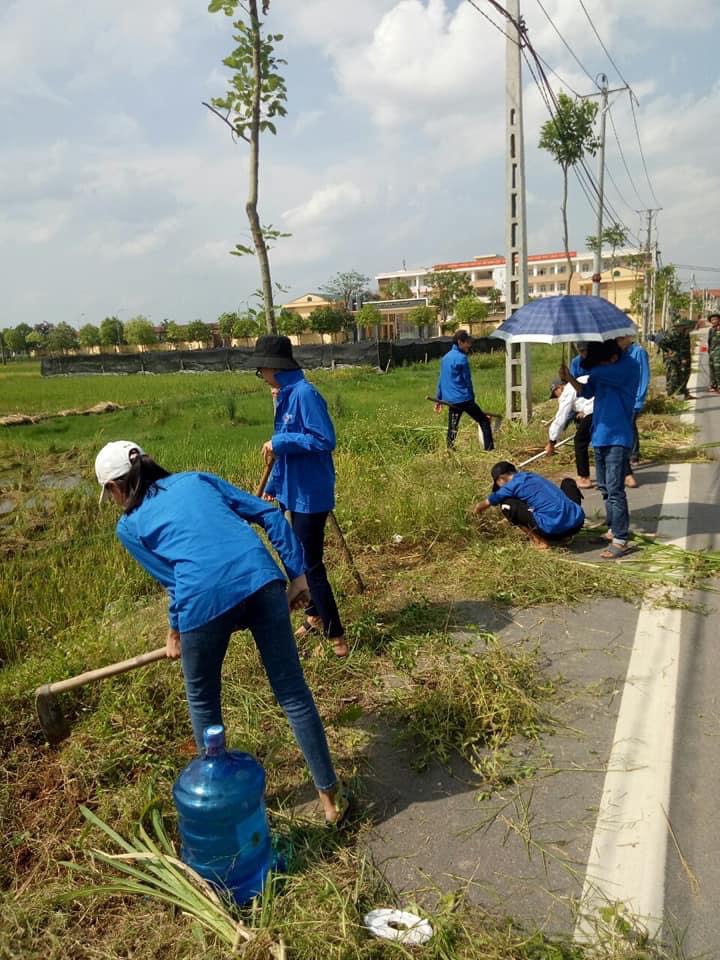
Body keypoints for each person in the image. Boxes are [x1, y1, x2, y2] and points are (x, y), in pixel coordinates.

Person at [94, 440, 348, 826]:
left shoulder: (128, 526)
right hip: (261, 580)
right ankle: (331, 802)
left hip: (201, 601)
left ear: (115, 488)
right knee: (292, 693)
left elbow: (175, 583)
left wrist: (175, 631)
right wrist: (297, 575)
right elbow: (270, 514)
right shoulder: (196, 479)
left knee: (203, 702)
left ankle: (225, 811)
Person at [254, 335, 348, 659]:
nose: (260, 376)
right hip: (292, 490)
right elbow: (286, 453)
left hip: (312, 492)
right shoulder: (283, 395)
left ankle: (335, 632)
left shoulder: (305, 394)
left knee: (310, 565)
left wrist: (279, 442)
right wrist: (274, 485)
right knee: (296, 557)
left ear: (272, 367)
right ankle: (313, 614)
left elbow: (324, 439)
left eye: (260, 369)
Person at [560, 339, 640, 560]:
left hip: (618, 436)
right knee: (605, 487)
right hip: (600, 434)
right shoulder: (604, 369)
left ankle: (621, 539)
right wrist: (570, 379)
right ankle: (613, 529)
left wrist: (584, 361)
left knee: (615, 490)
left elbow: (590, 370)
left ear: (613, 356)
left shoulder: (628, 367)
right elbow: (586, 391)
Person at [472, 460, 584, 550]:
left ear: (502, 478)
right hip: (576, 524)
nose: (500, 488)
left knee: (506, 504)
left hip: (553, 530)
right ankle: (566, 536)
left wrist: (475, 512)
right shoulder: (531, 476)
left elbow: (485, 504)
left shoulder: (510, 485)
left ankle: (539, 542)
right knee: (567, 482)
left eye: (499, 485)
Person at [434, 330, 494, 450]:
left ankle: (449, 451)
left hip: (451, 400)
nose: (469, 345)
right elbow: (467, 381)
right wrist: (472, 398)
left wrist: (438, 399)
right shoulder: (462, 358)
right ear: (460, 342)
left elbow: (441, 379)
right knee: (483, 421)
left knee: (452, 427)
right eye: (467, 343)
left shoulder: (445, 358)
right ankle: (489, 449)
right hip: (464, 399)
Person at [545, 377, 594, 489]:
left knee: (580, 441)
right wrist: (584, 411)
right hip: (607, 407)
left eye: (555, 393)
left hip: (594, 411)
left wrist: (551, 441)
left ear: (559, 387)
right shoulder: (580, 380)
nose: (557, 397)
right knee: (609, 441)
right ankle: (626, 474)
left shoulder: (567, 390)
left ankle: (584, 478)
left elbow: (561, 418)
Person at [616, 335, 651, 487]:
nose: (619, 342)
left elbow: (644, 376)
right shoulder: (620, 353)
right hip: (622, 398)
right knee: (628, 426)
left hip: (634, 398)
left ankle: (633, 455)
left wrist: (639, 398)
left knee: (629, 425)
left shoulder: (638, 351)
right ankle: (633, 454)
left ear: (628, 338)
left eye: (621, 339)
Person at [658, 317, 695, 399]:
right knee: (673, 377)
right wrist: (668, 350)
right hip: (671, 359)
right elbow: (661, 343)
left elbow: (685, 347)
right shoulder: (672, 334)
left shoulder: (685, 334)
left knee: (684, 375)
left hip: (682, 357)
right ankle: (671, 396)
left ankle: (683, 393)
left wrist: (685, 358)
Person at [707, 312, 720, 393]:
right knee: (712, 369)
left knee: (718, 369)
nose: (713, 321)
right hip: (712, 353)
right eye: (712, 320)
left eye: (715, 319)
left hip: (718, 353)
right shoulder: (711, 330)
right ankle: (713, 385)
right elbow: (710, 341)